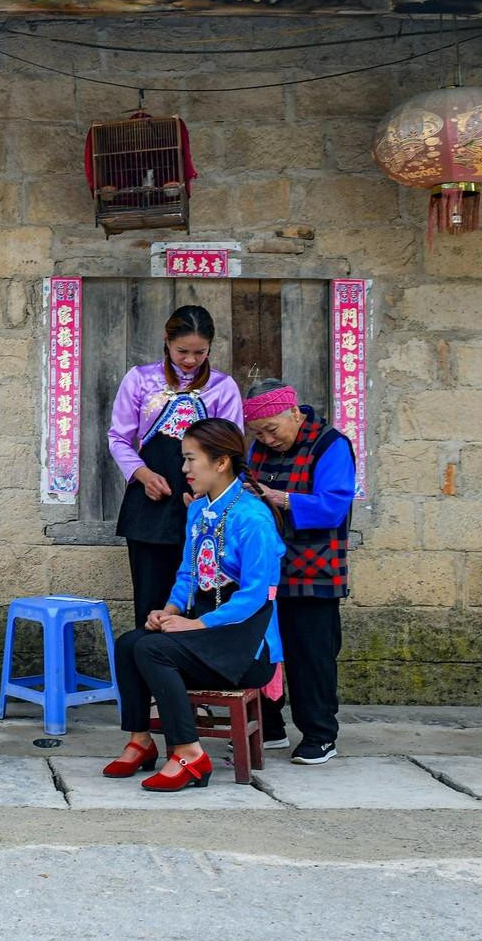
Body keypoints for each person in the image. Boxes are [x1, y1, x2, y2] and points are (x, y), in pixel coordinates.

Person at [101, 418, 284, 793]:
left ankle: (188, 752)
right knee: (130, 643)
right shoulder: (199, 510)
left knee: (153, 651)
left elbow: (255, 595)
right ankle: (141, 740)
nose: (183, 469)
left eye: (190, 460)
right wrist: (168, 611)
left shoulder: (253, 518)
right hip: (209, 640)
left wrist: (195, 626)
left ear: (221, 463)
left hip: (245, 647)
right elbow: (187, 572)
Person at [242, 377, 356, 765]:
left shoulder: (331, 445)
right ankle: (269, 727)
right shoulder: (258, 449)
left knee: (311, 655)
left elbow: (334, 505)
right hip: (266, 570)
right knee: (263, 650)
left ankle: (320, 734)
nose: (267, 439)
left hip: (315, 571)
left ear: (294, 413)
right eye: (258, 433)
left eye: (271, 430)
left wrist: (283, 499)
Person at [108, 305, 244, 626]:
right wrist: (143, 475)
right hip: (150, 506)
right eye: (182, 350)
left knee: (202, 599)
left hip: (204, 507)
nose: (190, 360)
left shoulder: (223, 388)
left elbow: (231, 451)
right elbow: (118, 438)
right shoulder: (140, 380)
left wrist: (209, 492)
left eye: (200, 352)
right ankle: (149, 668)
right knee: (150, 601)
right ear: (166, 341)